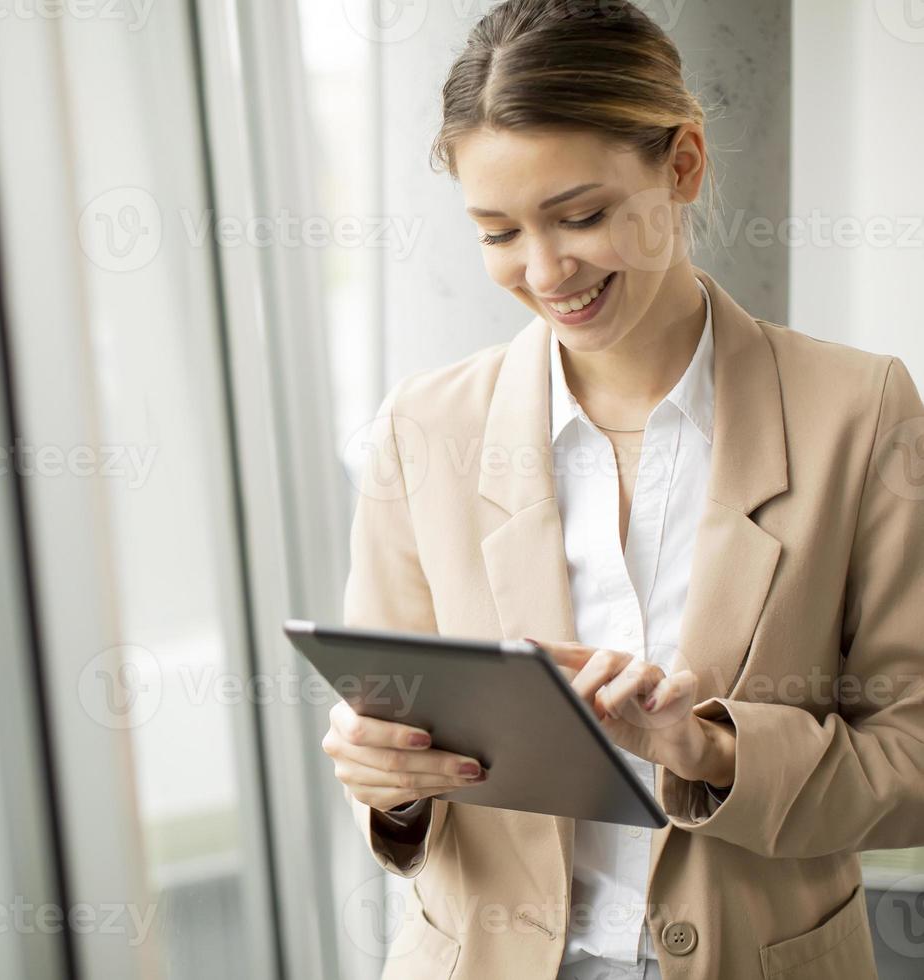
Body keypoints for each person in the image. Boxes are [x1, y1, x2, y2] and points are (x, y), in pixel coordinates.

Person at [319, 2, 924, 978]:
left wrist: (712, 748)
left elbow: (913, 755)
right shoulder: (422, 428)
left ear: (682, 164)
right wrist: (388, 781)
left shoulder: (860, 410)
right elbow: (391, 738)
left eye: (582, 215)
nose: (546, 269)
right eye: (498, 231)